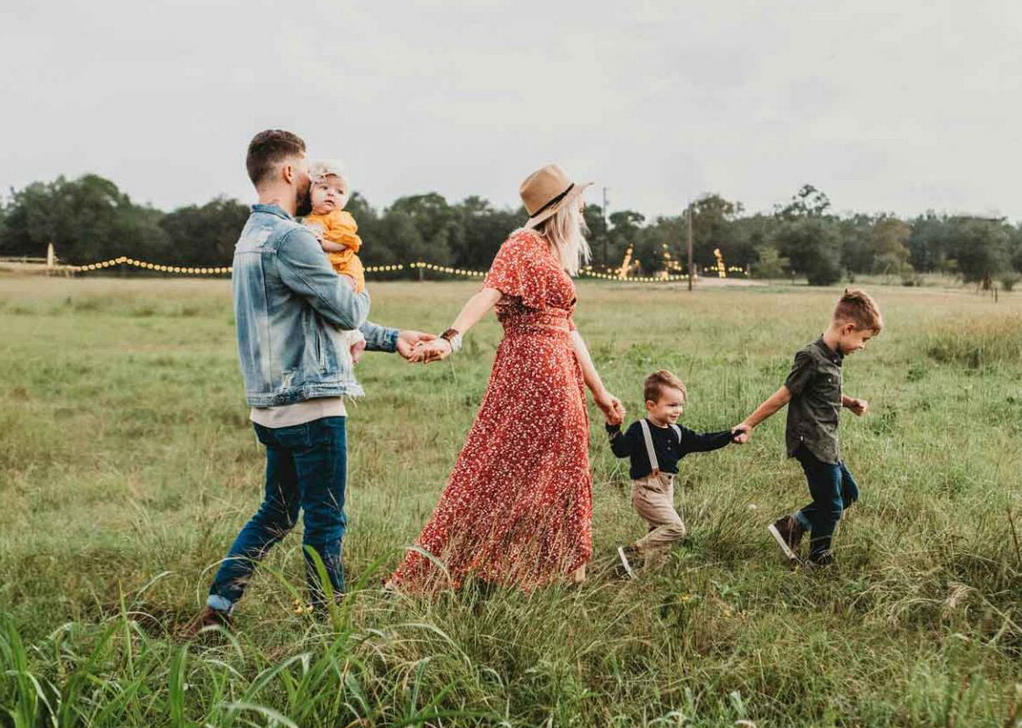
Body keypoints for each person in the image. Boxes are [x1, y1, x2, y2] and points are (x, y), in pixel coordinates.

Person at [185, 130, 435, 635]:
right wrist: (353, 285)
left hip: (270, 407)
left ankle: (218, 610)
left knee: (276, 514)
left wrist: (392, 338)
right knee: (326, 521)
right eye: (305, 171)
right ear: (286, 173)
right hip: (312, 405)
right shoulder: (293, 237)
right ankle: (331, 629)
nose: (312, 181)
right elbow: (344, 307)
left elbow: (313, 317)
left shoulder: (250, 238)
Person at [386, 163, 626, 592]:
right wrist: (451, 338)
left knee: (560, 468)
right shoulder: (521, 245)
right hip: (534, 370)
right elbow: (488, 292)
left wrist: (601, 392)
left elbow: (569, 329)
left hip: (558, 369)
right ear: (560, 210)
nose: (585, 211)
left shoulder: (550, 254)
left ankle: (551, 570)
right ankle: (486, 564)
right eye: (579, 204)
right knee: (502, 468)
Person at [735, 289, 883, 567]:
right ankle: (818, 559)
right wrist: (749, 424)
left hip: (828, 443)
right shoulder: (811, 357)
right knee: (832, 505)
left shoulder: (832, 357)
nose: (863, 346)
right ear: (848, 328)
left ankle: (792, 526)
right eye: (863, 339)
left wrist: (849, 402)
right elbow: (784, 395)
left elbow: (822, 392)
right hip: (811, 443)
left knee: (849, 493)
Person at [609, 370, 746, 578]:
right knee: (675, 528)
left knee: (660, 540)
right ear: (650, 405)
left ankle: (648, 580)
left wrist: (730, 434)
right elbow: (621, 450)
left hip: (666, 489)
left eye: (680, 405)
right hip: (646, 490)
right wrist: (613, 427)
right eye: (672, 405)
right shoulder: (640, 429)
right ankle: (632, 552)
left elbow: (704, 441)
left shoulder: (677, 432)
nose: (678, 410)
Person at [303, 160, 366, 365]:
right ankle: (355, 339)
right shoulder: (310, 219)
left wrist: (323, 244)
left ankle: (351, 343)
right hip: (330, 268)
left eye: (339, 192)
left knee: (338, 301)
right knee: (330, 309)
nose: (331, 194)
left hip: (345, 268)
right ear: (311, 193)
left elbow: (345, 242)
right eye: (324, 188)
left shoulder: (340, 217)